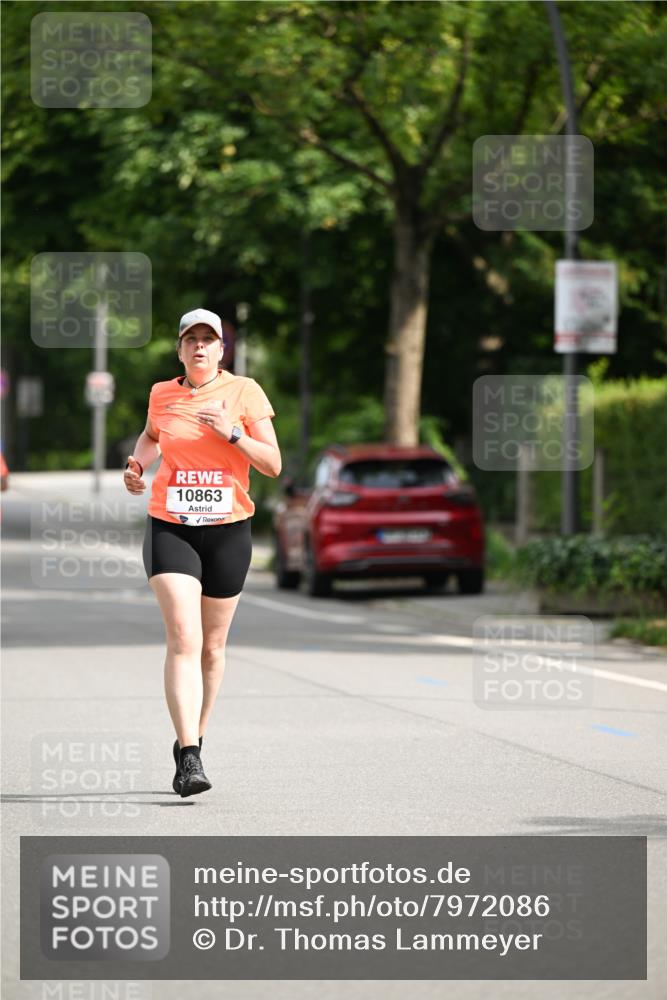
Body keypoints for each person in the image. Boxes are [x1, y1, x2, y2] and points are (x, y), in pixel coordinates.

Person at [123, 308, 281, 798]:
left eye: (208, 339)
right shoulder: (162, 394)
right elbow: (151, 437)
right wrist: (137, 465)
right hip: (172, 526)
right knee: (184, 638)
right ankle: (188, 757)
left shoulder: (244, 392)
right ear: (179, 349)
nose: (199, 347)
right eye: (190, 338)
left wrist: (231, 432)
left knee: (212, 649)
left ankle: (194, 738)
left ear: (221, 349)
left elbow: (273, 464)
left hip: (229, 529)